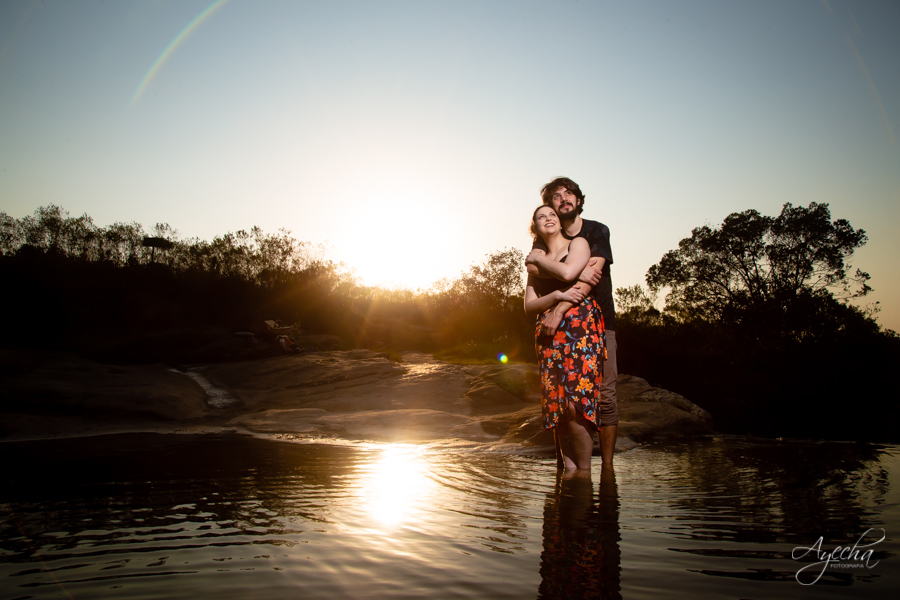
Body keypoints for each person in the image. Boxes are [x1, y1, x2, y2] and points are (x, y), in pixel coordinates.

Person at [527, 177, 618, 467]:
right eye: (556, 196)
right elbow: (533, 266)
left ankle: (606, 471)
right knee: (559, 400)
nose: (563, 198)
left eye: (569, 193)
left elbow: (587, 279)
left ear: (578, 200)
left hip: (597, 320)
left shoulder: (594, 232)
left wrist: (557, 309)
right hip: (558, 328)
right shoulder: (542, 240)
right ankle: (566, 471)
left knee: (604, 396)